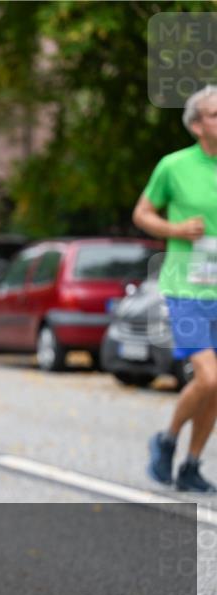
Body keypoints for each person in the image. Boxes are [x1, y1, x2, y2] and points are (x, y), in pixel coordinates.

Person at [135, 85, 217, 494]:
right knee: (209, 378)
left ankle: (191, 464)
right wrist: (176, 229)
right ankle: (167, 438)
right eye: (216, 114)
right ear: (197, 125)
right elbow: (142, 213)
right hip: (186, 287)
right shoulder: (174, 166)